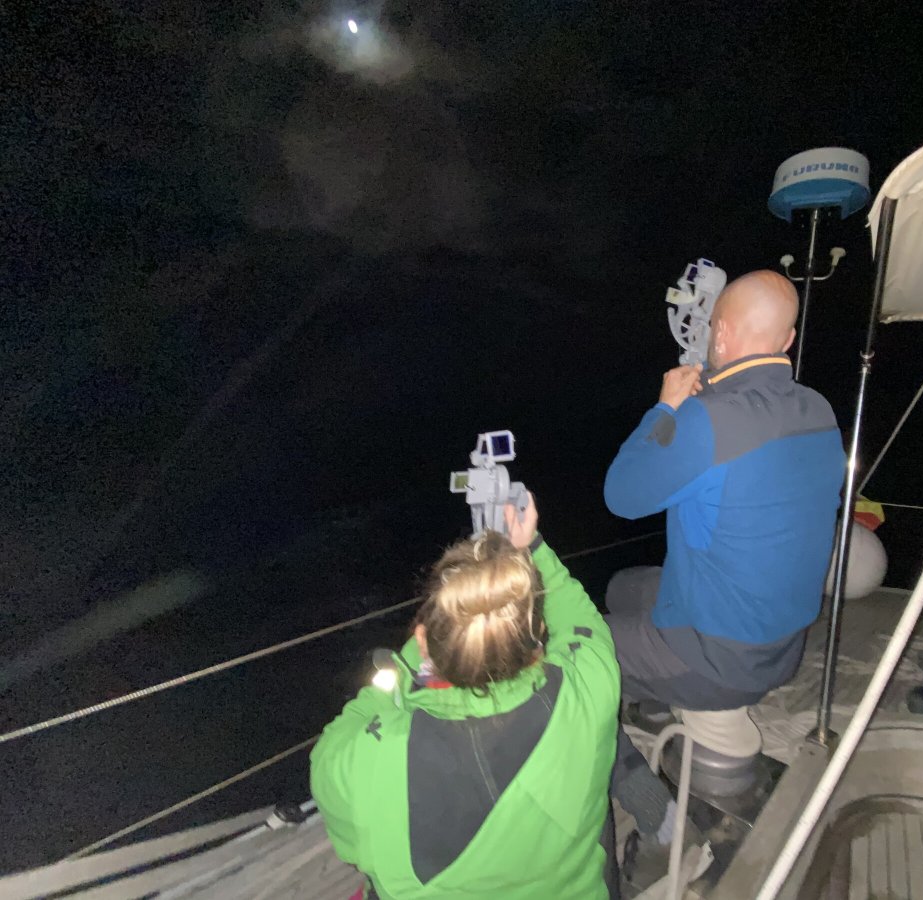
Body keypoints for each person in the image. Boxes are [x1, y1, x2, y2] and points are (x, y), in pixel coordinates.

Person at [603, 269, 844, 853]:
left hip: (719, 659)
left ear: (723, 335)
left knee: (559, 659)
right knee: (624, 586)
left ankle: (654, 808)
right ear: (786, 343)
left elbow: (623, 494)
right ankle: (664, 705)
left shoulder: (704, 421)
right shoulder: (820, 411)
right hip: (782, 645)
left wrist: (665, 409)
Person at [311, 496, 621, 899]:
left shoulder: (357, 761)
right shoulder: (591, 686)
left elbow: (351, 846)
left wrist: (403, 674)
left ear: (423, 642)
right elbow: (581, 621)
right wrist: (532, 546)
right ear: (537, 638)